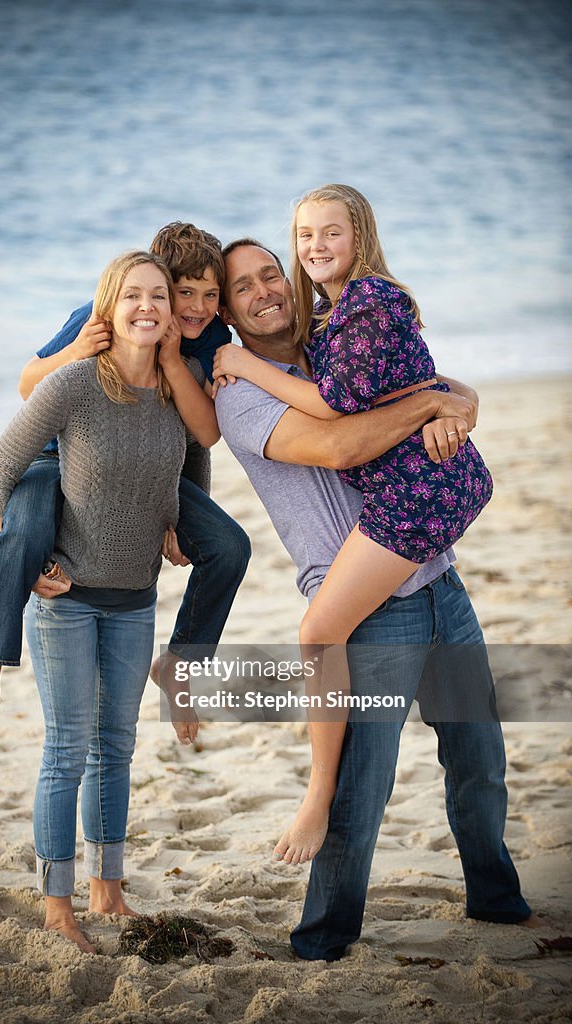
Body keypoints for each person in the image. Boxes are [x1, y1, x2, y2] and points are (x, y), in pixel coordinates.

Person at [214, 239, 536, 961]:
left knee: (479, 757)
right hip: (362, 607)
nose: (264, 291)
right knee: (361, 788)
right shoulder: (237, 393)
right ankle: (322, 939)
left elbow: (445, 388)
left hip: (435, 577)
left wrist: (456, 404)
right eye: (243, 287)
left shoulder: (339, 343)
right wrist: (427, 405)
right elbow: (340, 446)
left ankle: (495, 899)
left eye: (271, 273)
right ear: (228, 311)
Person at [0, 251, 213, 952]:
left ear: (173, 314)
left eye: (158, 297)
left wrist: (175, 518)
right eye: (131, 296)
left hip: (136, 598)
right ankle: (57, 906)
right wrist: (18, 550)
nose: (147, 306)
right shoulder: (75, 384)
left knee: (117, 747)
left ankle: (107, 890)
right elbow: (1, 466)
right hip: (69, 599)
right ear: (108, 309)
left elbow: (192, 457)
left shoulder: (176, 391)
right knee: (68, 750)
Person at [0, 223, 251, 757]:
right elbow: (29, 385)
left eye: (211, 295)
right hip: (59, 454)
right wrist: (78, 351)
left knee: (231, 547)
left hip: (150, 466)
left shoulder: (210, 340)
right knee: (19, 537)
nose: (196, 307)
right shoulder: (97, 315)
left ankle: (181, 665)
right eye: (183, 292)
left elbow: (197, 436)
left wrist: (180, 513)